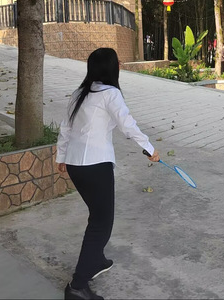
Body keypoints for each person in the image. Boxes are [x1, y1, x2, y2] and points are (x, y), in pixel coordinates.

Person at [56, 48, 160, 300]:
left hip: (76, 166)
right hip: (96, 166)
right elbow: (127, 124)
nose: (120, 64)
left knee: (97, 216)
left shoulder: (80, 92)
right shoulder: (111, 94)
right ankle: (78, 285)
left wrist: (61, 157)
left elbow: (65, 127)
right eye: (117, 62)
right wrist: (149, 148)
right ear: (112, 68)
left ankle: (96, 260)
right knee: (101, 222)